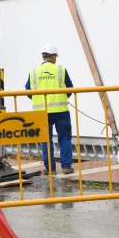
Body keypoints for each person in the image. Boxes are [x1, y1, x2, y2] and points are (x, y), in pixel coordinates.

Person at [25, 43, 75, 174]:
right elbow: (70, 89)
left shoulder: (34, 71)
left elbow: (28, 91)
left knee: (45, 140)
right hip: (61, 111)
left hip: (41, 112)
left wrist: (39, 101)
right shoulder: (61, 69)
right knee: (64, 138)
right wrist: (61, 98)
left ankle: (50, 169)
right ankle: (66, 167)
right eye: (55, 56)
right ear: (52, 56)